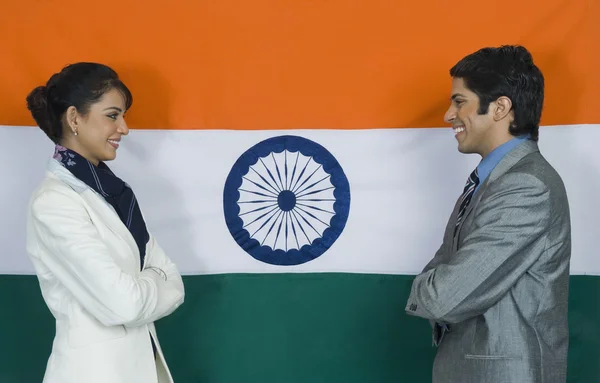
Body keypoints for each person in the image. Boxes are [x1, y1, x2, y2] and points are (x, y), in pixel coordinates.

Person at [405, 45, 571, 383]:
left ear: (500, 108)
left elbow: (443, 298)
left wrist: (425, 288)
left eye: (459, 101)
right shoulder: (492, 181)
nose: (448, 115)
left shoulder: (525, 186)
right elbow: (449, 270)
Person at [25, 62, 185, 383]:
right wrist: (155, 277)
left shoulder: (115, 194)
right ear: (74, 118)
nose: (124, 128)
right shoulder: (55, 202)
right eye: (113, 115)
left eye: (122, 116)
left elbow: (177, 286)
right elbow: (124, 305)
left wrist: (143, 286)